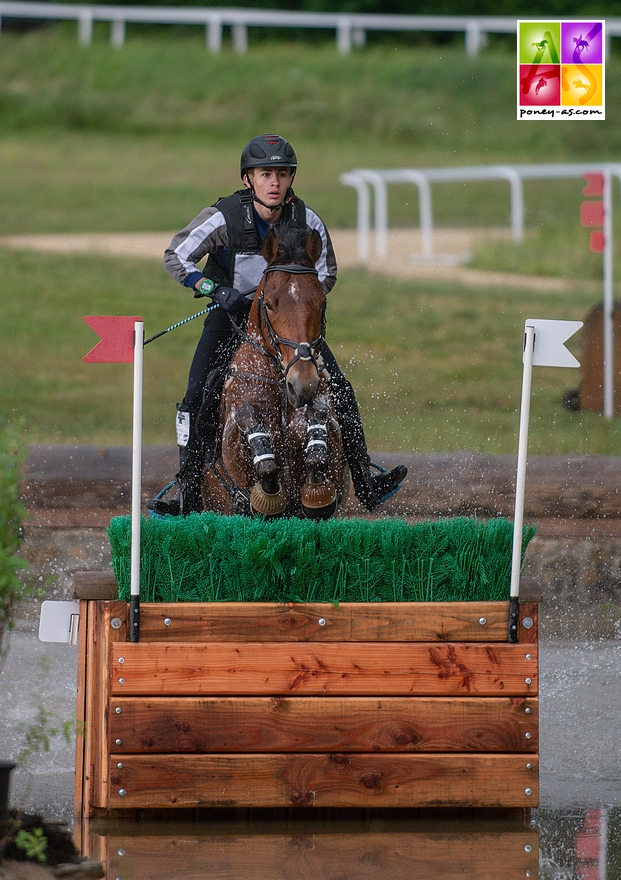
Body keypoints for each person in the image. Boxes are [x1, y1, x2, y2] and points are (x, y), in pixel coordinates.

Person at [150, 134, 407, 516]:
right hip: (232, 315)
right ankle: (187, 489)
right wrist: (213, 289)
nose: (275, 182)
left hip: (289, 323)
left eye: (283, 174)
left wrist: (290, 301)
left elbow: (327, 274)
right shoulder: (223, 217)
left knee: (340, 388)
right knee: (195, 395)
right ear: (247, 179)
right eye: (265, 173)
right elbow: (175, 257)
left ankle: (365, 479)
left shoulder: (308, 220)